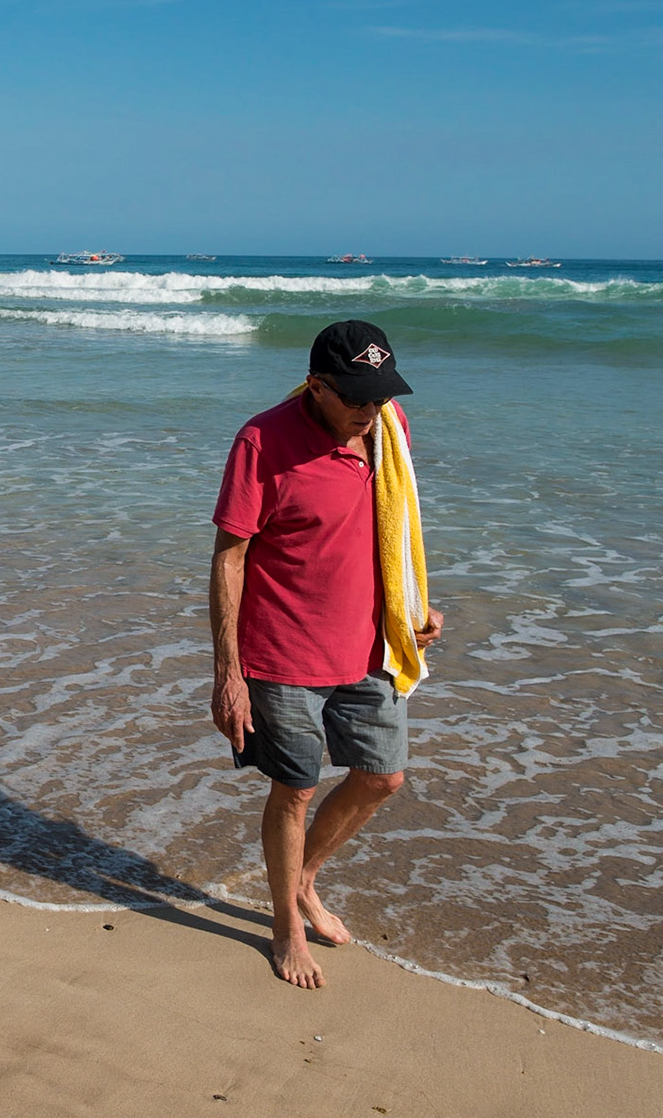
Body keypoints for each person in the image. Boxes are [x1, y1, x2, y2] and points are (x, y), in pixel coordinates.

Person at [208, 319, 444, 989]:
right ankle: (285, 924)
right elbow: (230, 558)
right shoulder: (262, 440)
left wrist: (412, 605)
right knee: (297, 788)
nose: (372, 411)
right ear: (317, 386)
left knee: (383, 775)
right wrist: (229, 673)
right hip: (282, 650)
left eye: (381, 396)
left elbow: (390, 530)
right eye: (358, 399)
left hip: (368, 643)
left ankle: (303, 878)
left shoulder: (386, 433)